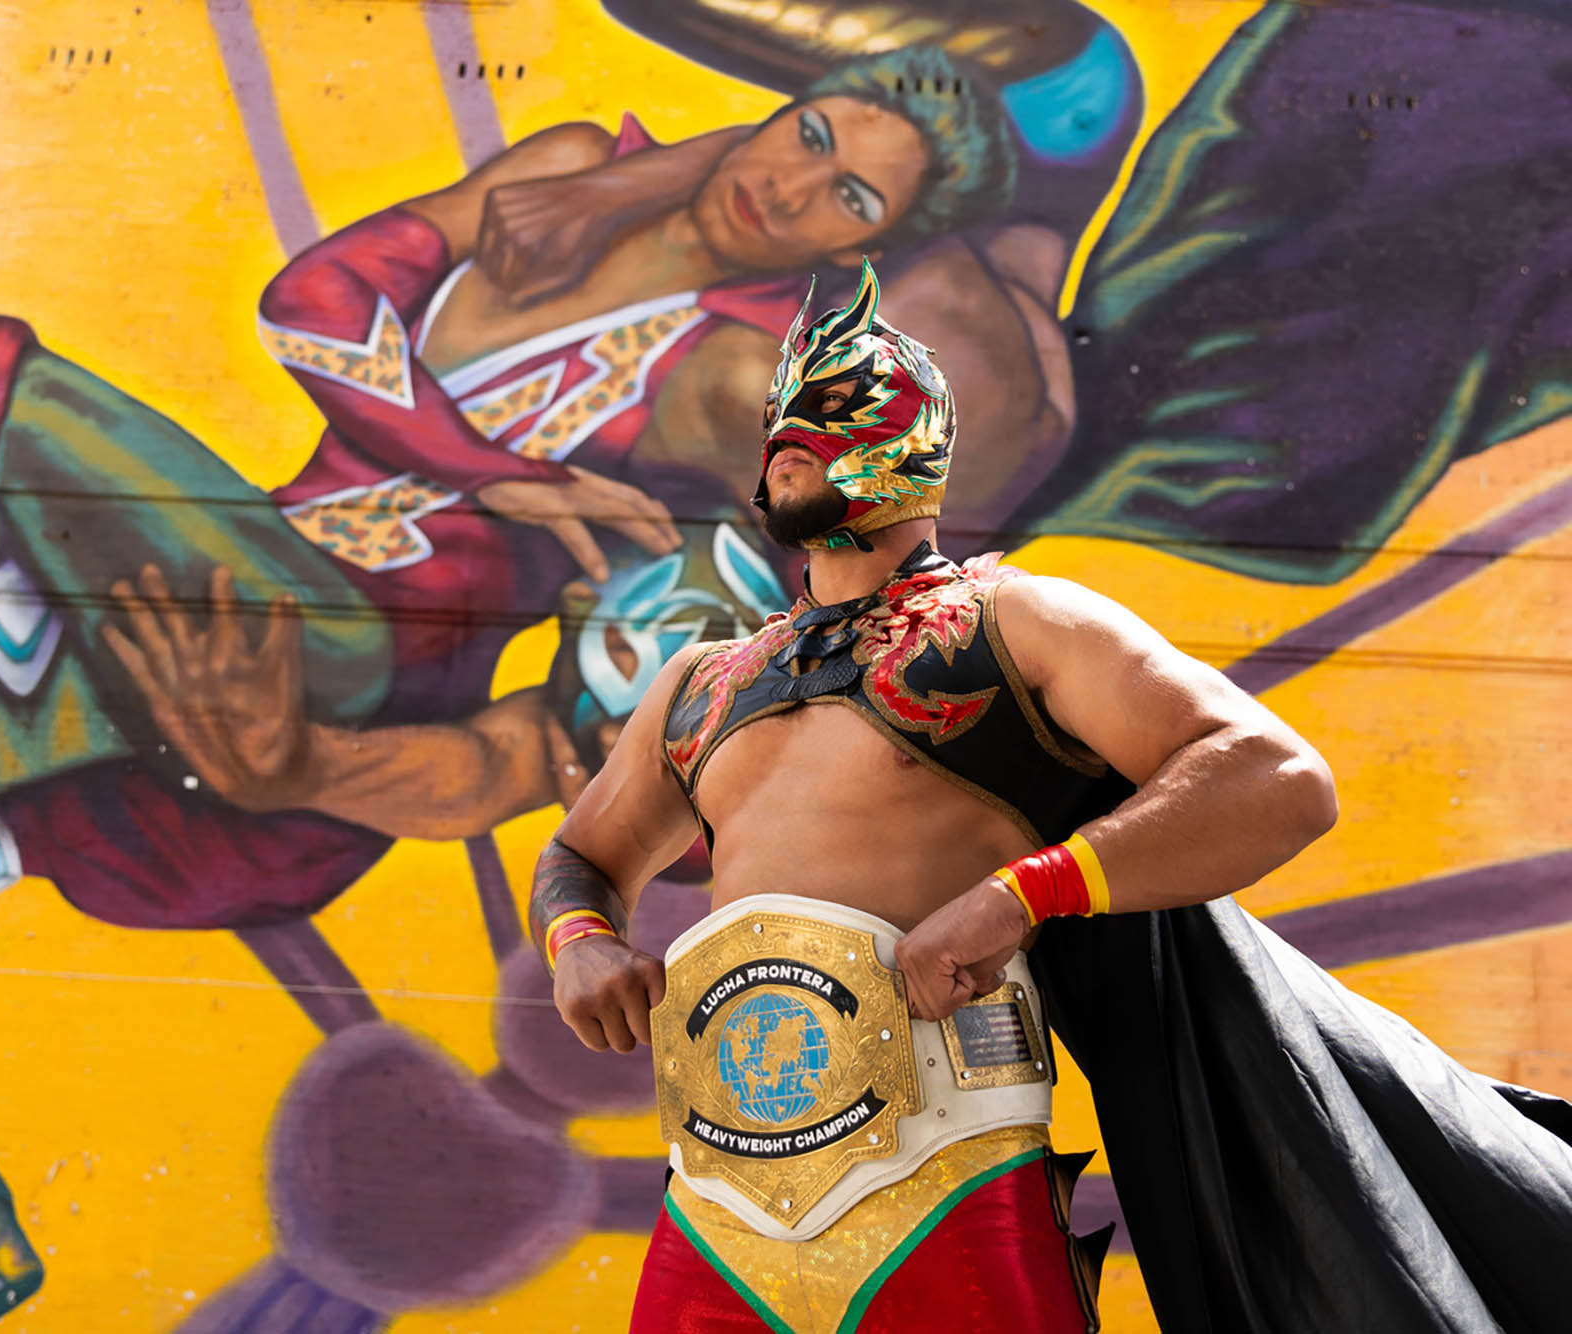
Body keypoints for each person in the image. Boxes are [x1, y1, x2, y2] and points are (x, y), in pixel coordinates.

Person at [529, 259, 1572, 1333]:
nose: (793, 426)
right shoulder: (703, 682)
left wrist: (1025, 893)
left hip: (946, 1182)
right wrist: (580, 940)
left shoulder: (1015, 621)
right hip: (716, 1204)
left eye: (834, 406)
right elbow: (579, 857)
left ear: (916, 444)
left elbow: (1274, 775)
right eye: (780, 414)